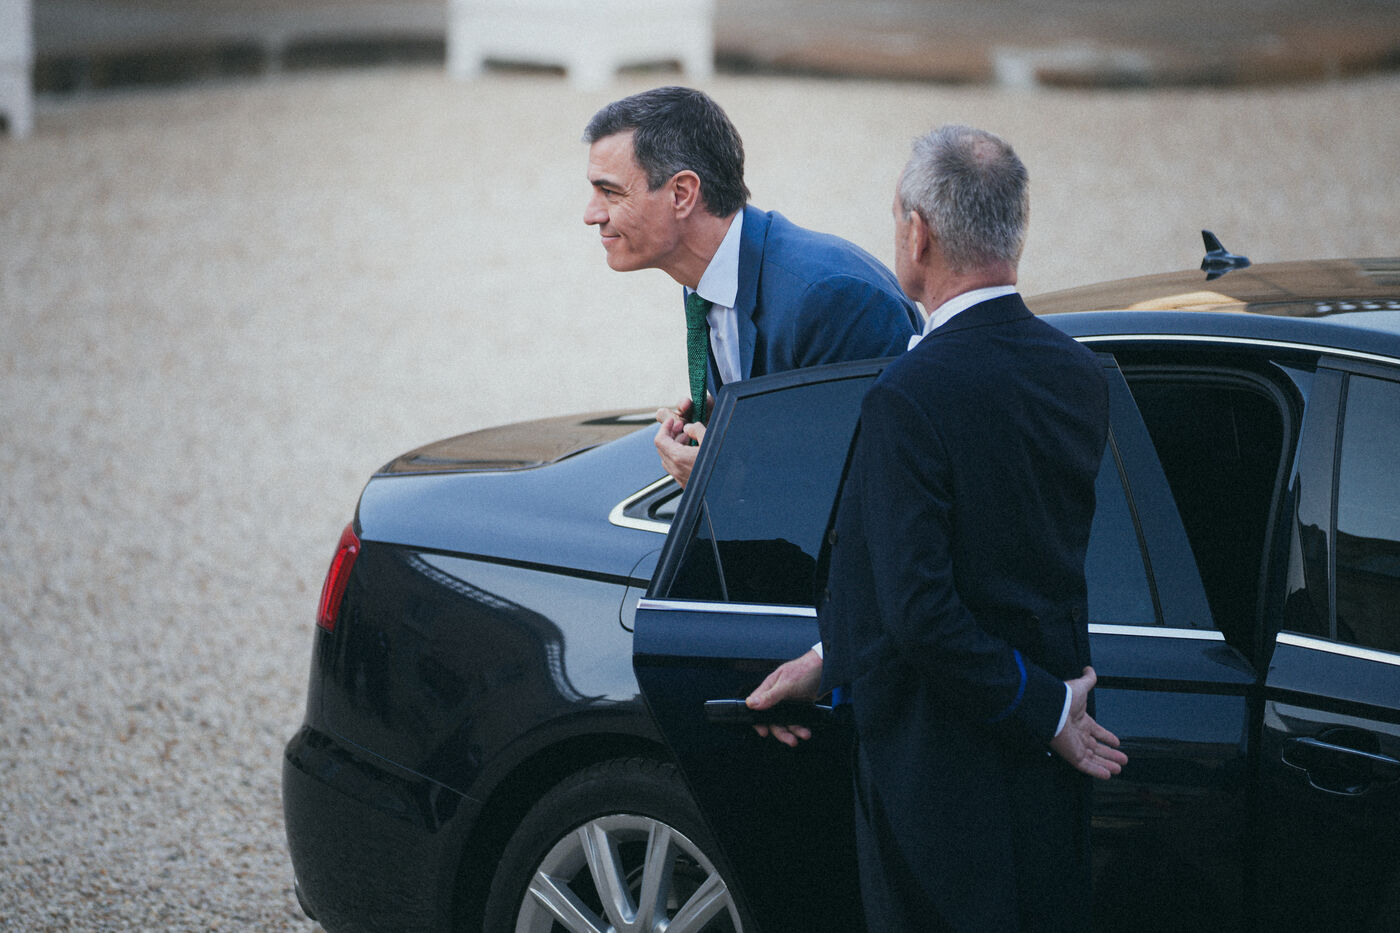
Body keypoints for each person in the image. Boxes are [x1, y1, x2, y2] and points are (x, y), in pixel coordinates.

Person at [747, 125, 1127, 932]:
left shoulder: (908, 395)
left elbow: (919, 609)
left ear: (918, 231)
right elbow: (1018, 563)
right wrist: (828, 660)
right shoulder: (1080, 374)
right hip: (1051, 768)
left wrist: (1041, 708)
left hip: (937, 780)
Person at [583, 86, 918, 487]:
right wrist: (730, 426)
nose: (591, 214)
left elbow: (879, 479)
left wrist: (722, 475)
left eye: (610, 192)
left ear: (682, 194)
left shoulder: (832, 299)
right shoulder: (702, 279)